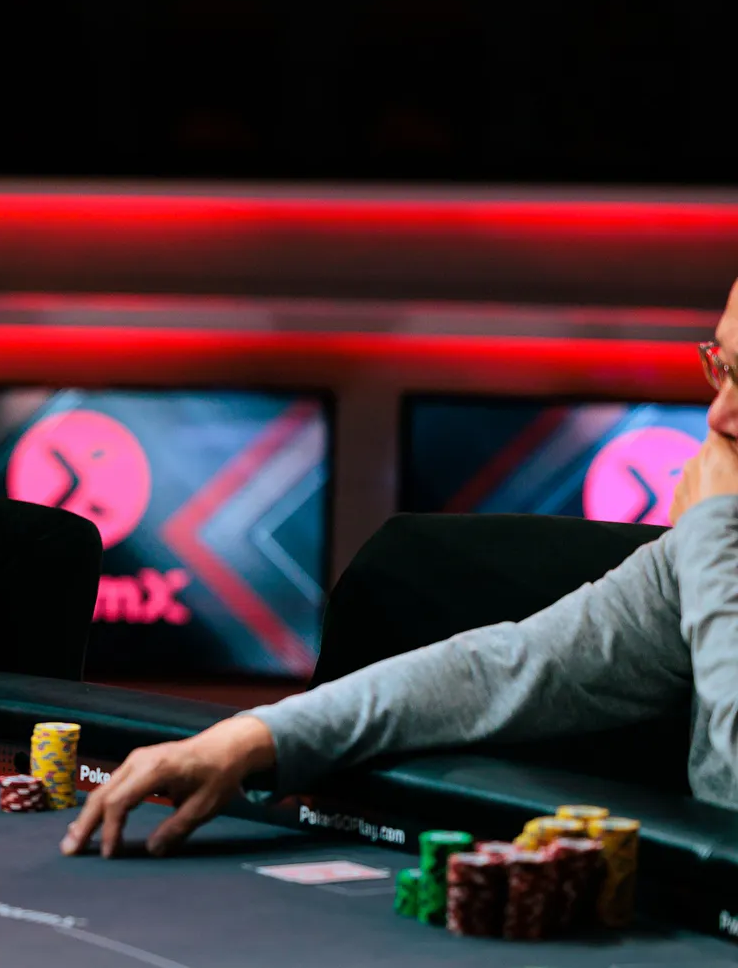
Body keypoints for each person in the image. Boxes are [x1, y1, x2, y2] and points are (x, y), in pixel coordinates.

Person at [61, 281, 738, 858]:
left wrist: (711, 531)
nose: (718, 414)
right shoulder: (701, 556)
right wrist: (253, 736)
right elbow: (507, 671)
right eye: (723, 367)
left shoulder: (713, 541)